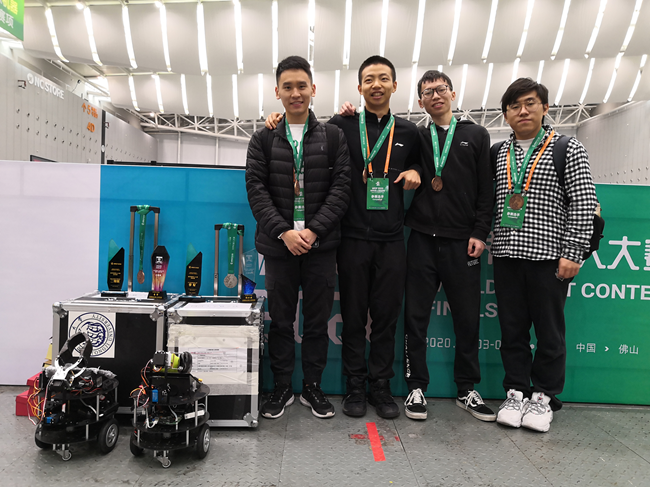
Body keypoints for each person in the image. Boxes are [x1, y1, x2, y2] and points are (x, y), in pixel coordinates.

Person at [266, 55, 421, 419]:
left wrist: (415, 169)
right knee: (352, 318)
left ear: (394, 85)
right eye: (369, 79)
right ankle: (354, 386)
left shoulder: (409, 131)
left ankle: (380, 387)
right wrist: (274, 119)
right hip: (350, 237)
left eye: (383, 78)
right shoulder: (340, 126)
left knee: (385, 319)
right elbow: (301, 129)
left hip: (391, 238)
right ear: (360, 87)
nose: (376, 85)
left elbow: (421, 165)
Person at [246, 55, 351, 419]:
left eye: (301, 86)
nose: (295, 93)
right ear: (277, 92)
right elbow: (256, 190)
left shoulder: (333, 136)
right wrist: (284, 232)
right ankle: (281, 388)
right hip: (279, 247)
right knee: (281, 322)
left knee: (317, 322)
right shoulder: (262, 139)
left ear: (313, 89)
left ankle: (312, 387)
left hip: (320, 246)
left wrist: (313, 230)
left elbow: (342, 188)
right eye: (287, 87)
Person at [492, 78, 597, 432]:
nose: (522, 111)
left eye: (530, 103)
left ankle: (543, 397)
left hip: (550, 258)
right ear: (506, 114)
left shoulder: (567, 148)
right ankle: (515, 392)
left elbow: (584, 203)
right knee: (512, 330)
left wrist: (573, 253)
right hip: (507, 255)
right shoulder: (498, 153)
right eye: (514, 106)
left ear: (544, 108)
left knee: (549, 332)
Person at [401, 70, 495, 422]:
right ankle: (416, 387)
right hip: (422, 239)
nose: (435, 96)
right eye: (428, 92)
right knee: (415, 317)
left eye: (441, 89)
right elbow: (402, 159)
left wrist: (480, 232)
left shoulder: (476, 134)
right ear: (420, 101)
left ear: (452, 94)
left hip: (462, 242)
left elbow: (486, 190)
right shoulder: (417, 135)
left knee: (467, 318)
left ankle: (466, 389)